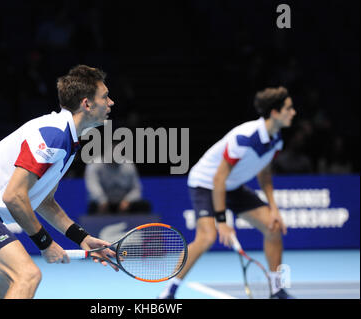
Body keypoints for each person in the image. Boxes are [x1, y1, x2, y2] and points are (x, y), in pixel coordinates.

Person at [0, 65, 118, 299]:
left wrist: (81, 237)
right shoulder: (53, 135)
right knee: (27, 276)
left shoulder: (68, 141)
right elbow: (14, 196)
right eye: (105, 96)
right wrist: (45, 243)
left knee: (7, 285)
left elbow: (44, 202)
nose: (111, 102)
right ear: (87, 103)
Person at [158, 86, 296, 299]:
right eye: (289, 108)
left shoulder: (276, 140)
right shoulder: (245, 138)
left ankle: (277, 289)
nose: (293, 112)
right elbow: (218, 178)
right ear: (275, 113)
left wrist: (273, 207)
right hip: (205, 183)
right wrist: (222, 221)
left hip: (232, 186)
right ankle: (169, 291)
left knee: (273, 226)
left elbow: (264, 173)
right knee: (207, 237)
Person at [85, 159, 151, 215]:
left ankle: (138, 227)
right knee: (93, 206)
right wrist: (102, 200)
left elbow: (136, 188)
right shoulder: (95, 164)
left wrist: (127, 200)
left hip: (125, 203)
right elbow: (93, 185)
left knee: (143, 205)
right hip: (103, 203)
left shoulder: (128, 165)